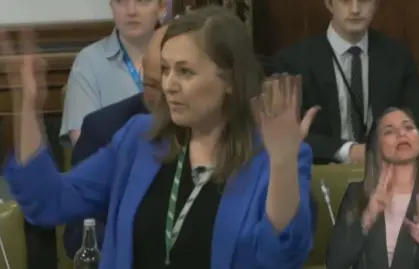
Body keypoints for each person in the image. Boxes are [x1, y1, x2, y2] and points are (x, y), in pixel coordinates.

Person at [1, 6, 319, 269]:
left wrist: (282, 163)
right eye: (165, 70)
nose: (169, 85)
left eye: (185, 72)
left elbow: (280, 257)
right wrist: (28, 107)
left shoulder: (276, 157)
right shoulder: (137, 140)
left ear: (230, 81)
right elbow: (48, 202)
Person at [273, 0, 419, 164]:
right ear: (329, 4)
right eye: (345, 1)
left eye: (364, 1)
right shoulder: (293, 62)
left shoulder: (398, 56)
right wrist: (350, 151)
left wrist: (400, 147)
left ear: (376, 4)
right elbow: (286, 135)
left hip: (389, 168)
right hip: (323, 171)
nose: (355, 9)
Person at [62, 25, 166, 259]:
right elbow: (78, 232)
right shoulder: (108, 129)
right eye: (152, 83)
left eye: (185, 72)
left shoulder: (230, 139)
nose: (171, 89)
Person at [325, 107, 419, 269]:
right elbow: (335, 263)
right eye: (389, 131)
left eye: (408, 127)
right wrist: (366, 219)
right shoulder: (357, 194)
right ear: (376, 146)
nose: (402, 134)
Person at [60, 0, 166, 145]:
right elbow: (83, 143)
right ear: (111, 6)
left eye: (142, 1)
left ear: (161, 7)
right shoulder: (89, 61)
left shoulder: (181, 56)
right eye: (121, 1)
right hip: (113, 164)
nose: (131, 11)